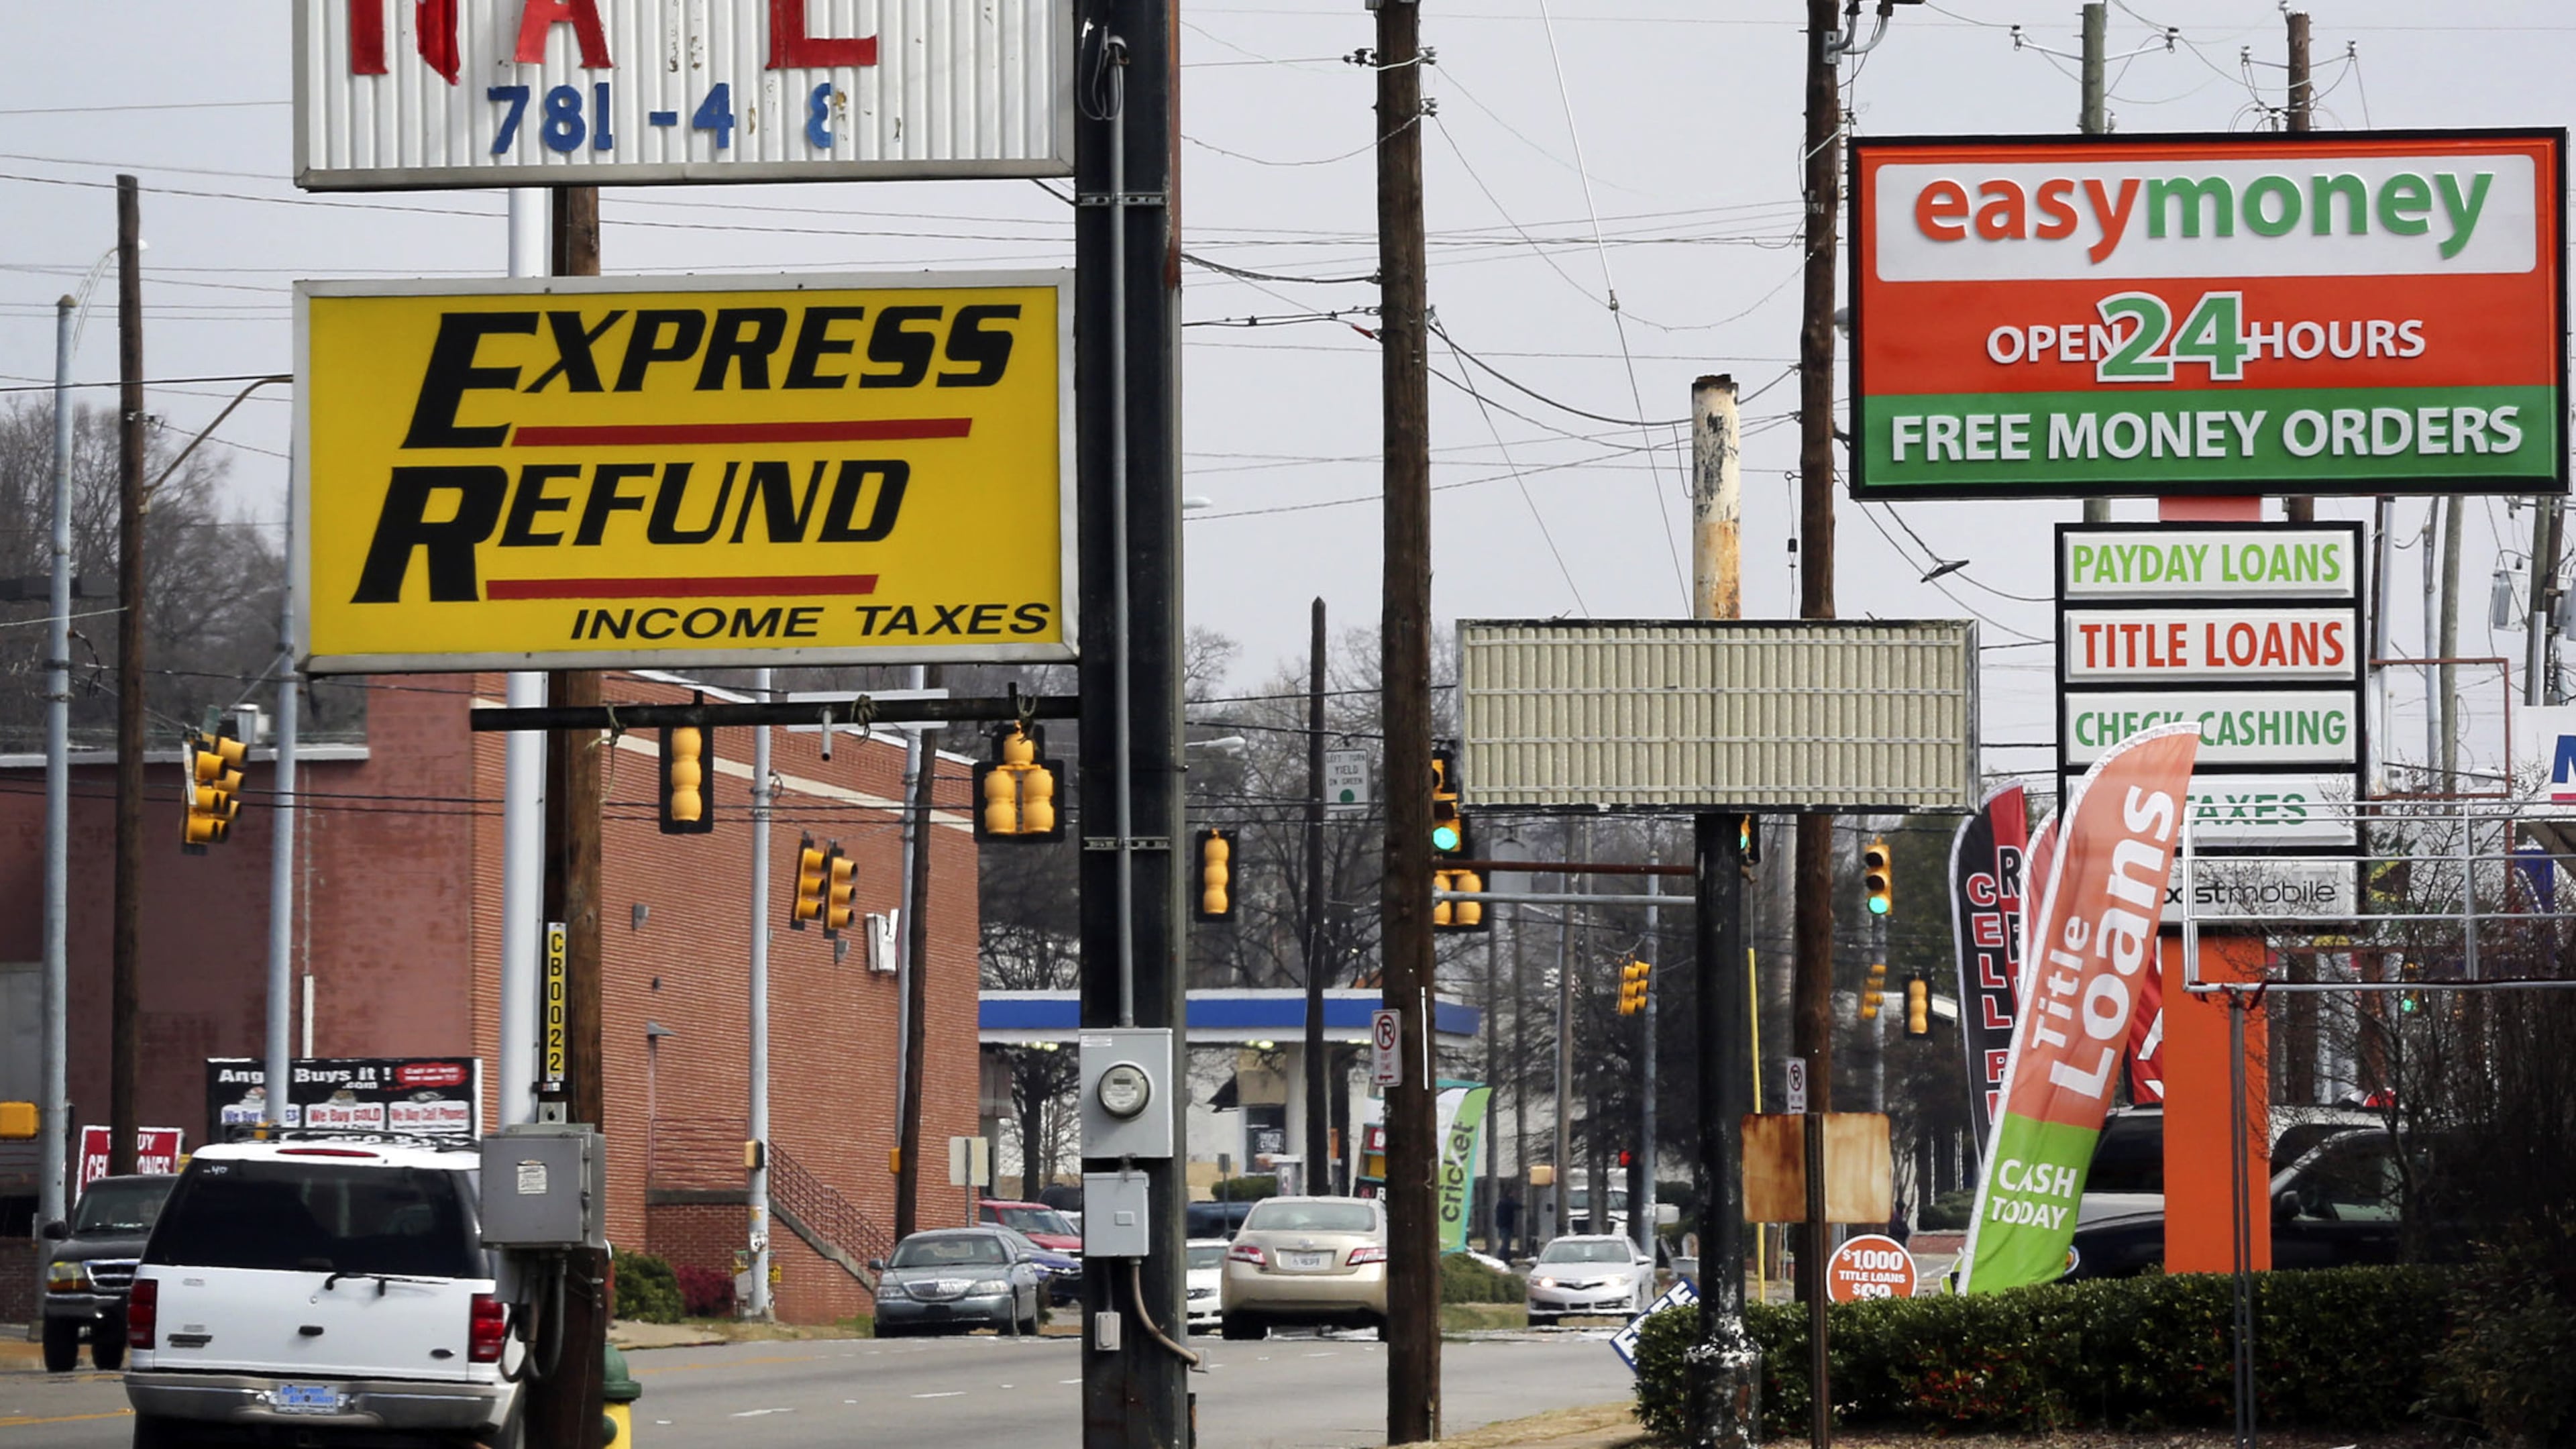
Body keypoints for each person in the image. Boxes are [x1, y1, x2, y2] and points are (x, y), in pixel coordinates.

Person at [1495, 1189, 1522, 1261]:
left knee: (1506, 1243)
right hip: (1506, 1225)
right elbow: (1514, 1205)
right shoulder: (1507, 1201)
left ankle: (1504, 1258)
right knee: (1506, 1244)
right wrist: (1523, 1206)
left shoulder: (1502, 1202)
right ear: (1510, 1194)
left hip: (1504, 1225)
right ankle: (1503, 1258)